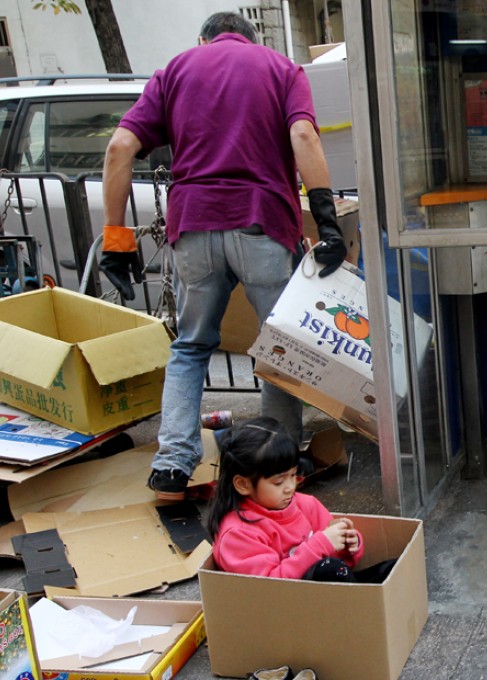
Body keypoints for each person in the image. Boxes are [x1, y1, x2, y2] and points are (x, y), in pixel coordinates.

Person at [100, 12, 350, 500]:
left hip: (193, 226)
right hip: (261, 222)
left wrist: (116, 238)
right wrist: (326, 222)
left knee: (192, 346)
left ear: (204, 40)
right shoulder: (281, 69)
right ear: (252, 38)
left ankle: (172, 463)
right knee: (279, 344)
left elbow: (119, 148)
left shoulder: (175, 71)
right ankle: (279, 455)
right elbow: (303, 137)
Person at [207, 417, 366, 581]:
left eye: (293, 475)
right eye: (278, 482)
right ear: (243, 484)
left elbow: (342, 565)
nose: (290, 487)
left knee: (389, 568)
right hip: (284, 602)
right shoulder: (238, 534)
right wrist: (321, 545)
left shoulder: (306, 505)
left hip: (325, 594)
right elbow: (269, 587)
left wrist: (347, 545)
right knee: (331, 570)